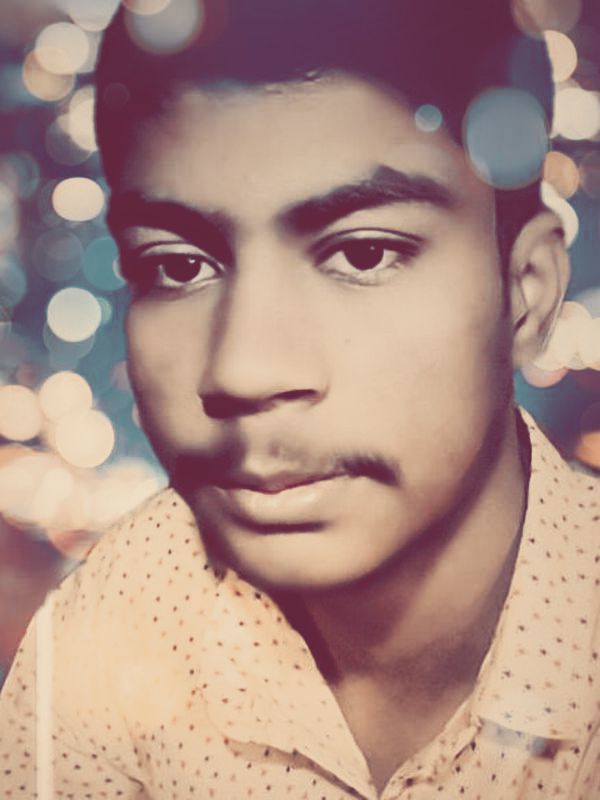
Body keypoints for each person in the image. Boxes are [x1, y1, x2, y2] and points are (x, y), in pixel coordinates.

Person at [1, 1, 598, 797]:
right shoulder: (109, 626)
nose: (243, 371)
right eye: (178, 267)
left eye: (364, 254)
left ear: (526, 293)